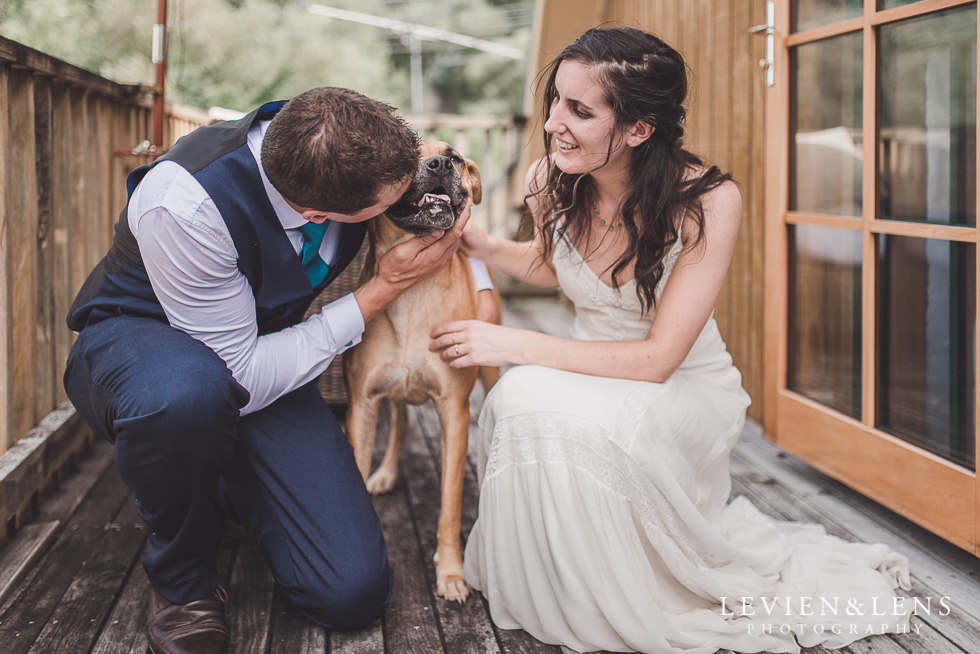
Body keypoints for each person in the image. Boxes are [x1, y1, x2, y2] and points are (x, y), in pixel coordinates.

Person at [430, 27, 912, 653]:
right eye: (555, 101)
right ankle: (564, 583)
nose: (553, 124)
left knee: (531, 391)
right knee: (519, 403)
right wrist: (488, 248)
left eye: (580, 110)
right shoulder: (549, 180)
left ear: (638, 128)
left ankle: (635, 588)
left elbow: (658, 360)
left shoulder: (709, 202)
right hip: (589, 358)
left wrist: (511, 343)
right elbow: (564, 265)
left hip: (679, 382)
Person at [63, 87, 472, 654]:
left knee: (350, 592)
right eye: (394, 197)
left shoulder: (339, 138)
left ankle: (228, 479)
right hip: (146, 343)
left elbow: (256, 363)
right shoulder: (182, 201)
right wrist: (383, 288)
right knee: (188, 396)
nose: (407, 193)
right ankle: (184, 583)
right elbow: (241, 377)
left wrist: (451, 219)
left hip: (266, 349)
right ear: (316, 213)